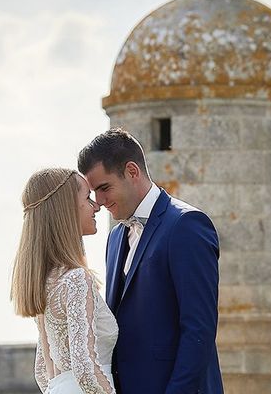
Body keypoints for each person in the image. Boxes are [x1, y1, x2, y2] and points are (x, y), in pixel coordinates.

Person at [78, 128, 224, 394]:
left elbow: (198, 330)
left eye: (104, 188)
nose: (98, 202)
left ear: (132, 171)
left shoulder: (186, 225)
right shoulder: (114, 238)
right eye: (93, 192)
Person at [10, 168, 118, 394]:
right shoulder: (76, 279)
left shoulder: (45, 280)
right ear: (67, 209)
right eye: (87, 198)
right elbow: (85, 370)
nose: (96, 206)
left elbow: (43, 371)